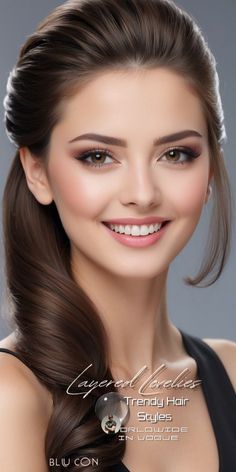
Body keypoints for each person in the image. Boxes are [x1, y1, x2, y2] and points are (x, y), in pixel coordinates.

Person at [0, 0, 235, 471]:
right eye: (98, 157)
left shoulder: (231, 373)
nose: (143, 194)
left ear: (209, 167)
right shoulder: (11, 396)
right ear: (38, 172)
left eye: (175, 154)